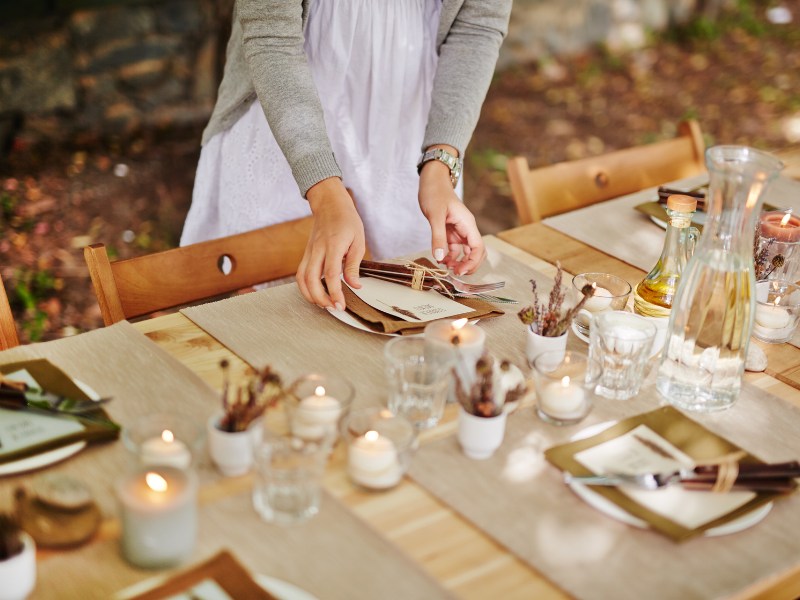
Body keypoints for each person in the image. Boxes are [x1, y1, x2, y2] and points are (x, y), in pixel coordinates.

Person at [181, 0, 513, 310]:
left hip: (408, 132)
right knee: (266, 319)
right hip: (285, 123)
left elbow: (478, 27)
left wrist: (440, 164)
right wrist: (323, 192)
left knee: (402, 315)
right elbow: (272, 36)